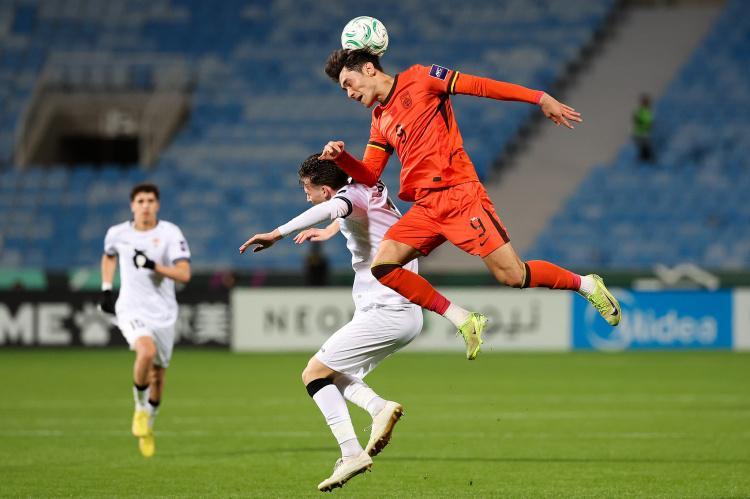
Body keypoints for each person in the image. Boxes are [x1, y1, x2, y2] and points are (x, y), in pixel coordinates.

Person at [319, 49, 621, 360]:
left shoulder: (422, 78)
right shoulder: (380, 119)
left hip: (459, 197)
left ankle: (585, 284)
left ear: (369, 69)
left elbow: (480, 86)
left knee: (513, 276)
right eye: (344, 89)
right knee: (383, 266)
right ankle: (463, 318)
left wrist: (539, 97)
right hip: (426, 207)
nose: (349, 93)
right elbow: (370, 175)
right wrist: (342, 158)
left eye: (349, 83)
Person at [239, 155, 422, 492]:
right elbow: (350, 211)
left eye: (307, 189)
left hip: (387, 309)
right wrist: (330, 230)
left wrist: (276, 234)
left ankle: (352, 452)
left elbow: (332, 207)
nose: (306, 195)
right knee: (333, 375)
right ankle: (378, 407)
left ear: (325, 190)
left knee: (313, 374)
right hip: (400, 311)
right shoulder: (367, 187)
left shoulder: (344, 199)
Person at [99, 183, 191, 457]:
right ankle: (140, 407)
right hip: (131, 309)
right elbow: (109, 256)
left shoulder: (170, 233)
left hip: (163, 313)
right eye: (140, 201)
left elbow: (184, 274)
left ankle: (148, 423)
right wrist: (106, 288)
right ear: (132, 205)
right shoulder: (117, 233)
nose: (146, 205)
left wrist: (153, 266)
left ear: (157, 205)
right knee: (145, 351)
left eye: (150, 200)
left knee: (158, 378)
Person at [633, 93, 654, 162]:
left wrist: (639, 121)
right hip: (639, 133)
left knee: (645, 149)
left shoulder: (648, 112)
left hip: (644, 134)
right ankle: (643, 159)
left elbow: (649, 124)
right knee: (642, 148)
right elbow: (636, 120)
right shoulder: (640, 111)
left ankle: (647, 159)